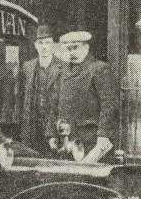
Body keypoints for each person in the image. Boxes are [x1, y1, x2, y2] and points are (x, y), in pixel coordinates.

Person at [50, 31, 117, 163]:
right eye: (68, 49)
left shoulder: (99, 69)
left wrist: (103, 135)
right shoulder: (62, 72)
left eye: (75, 48)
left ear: (86, 47)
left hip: (89, 138)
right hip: (67, 138)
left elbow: (108, 104)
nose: (71, 52)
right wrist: (51, 133)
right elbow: (54, 105)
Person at [15, 24, 63, 153]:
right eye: (40, 43)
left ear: (53, 44)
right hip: (31, 126)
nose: (44, 47)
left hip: (53, 127)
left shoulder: (62, 68)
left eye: (48, 42)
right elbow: (20, 97)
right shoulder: (27, 67)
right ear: (35, 45)